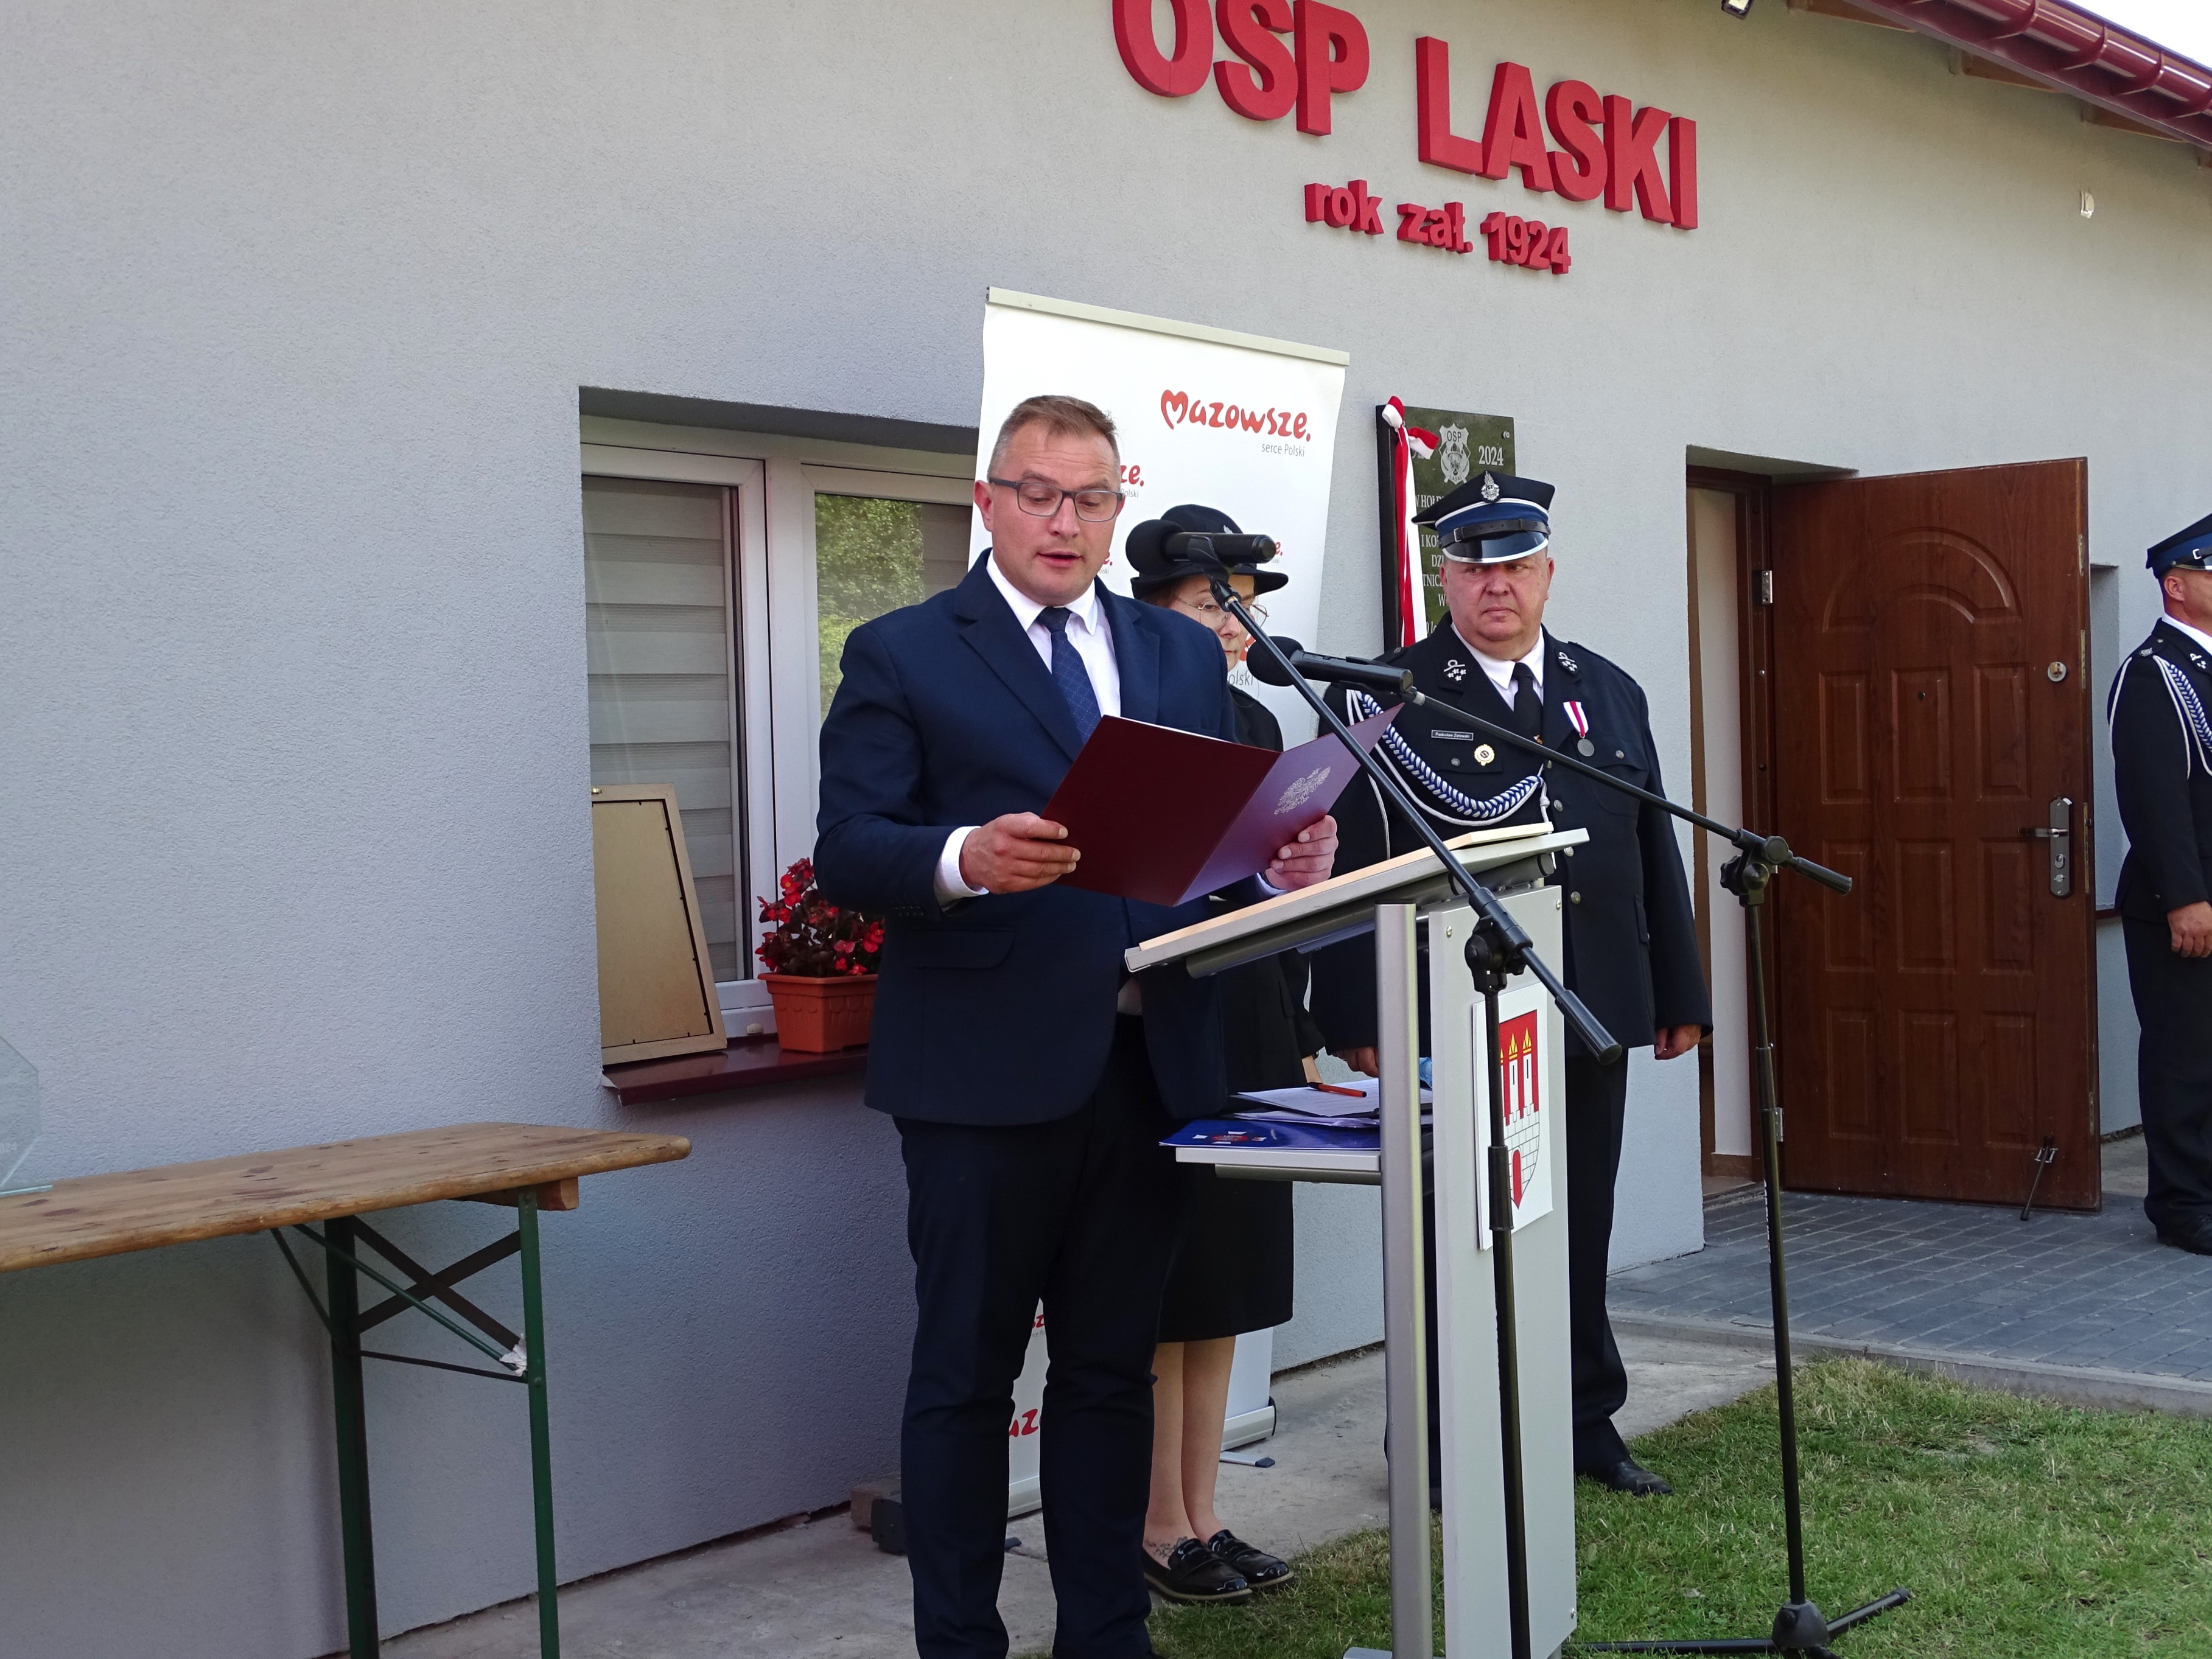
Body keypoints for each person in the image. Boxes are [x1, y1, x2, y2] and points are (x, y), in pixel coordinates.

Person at [813, 396, 1338, 1659]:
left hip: (1148, 1064)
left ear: (1117, 507)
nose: (1063, 519)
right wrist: (962, 856)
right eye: (1037, 493)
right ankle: (961, 1643)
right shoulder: (901, 651)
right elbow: (849, 847)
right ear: (986, 502)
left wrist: (1273, 864)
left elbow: (1199, 849)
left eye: (1089, 497)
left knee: (1108, 1373)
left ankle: (1105, 1635)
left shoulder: (1172, 655)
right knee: (965, 1378)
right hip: (980, 1077)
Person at [1307, 471, 1710, 1497]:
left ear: (1547, 570)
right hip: (1452, 1009)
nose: (1497, 586)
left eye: (1517, 565)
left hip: (1588, 1001)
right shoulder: (1382, 694)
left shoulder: (1605, 688)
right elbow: (1347, 861)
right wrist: (1354, 1010)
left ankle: (1582, 1420)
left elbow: (1649, 841)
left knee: (1577, 1218)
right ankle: (1438, 1437)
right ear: (1443, 577)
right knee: (1454, 1232)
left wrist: (1677, 990)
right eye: (1474, 567)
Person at [1127, 506, 1310, 1604]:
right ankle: (1155, 1523)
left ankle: (1203, 1510)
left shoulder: (1253, 717)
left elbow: (1269, 879)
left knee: (1230, 1280)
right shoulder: (1131, 710)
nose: (1235, 624)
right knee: (1176, 1282)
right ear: (1152, 612)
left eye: (1240, 606)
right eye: (1211, 604)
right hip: (1169, 1014)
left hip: (1251, 1009)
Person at [2108, 509, 2212, 1257]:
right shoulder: (2153, 672)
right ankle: (2183, 1204)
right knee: (2185, 1056)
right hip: (2185, 902)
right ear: (2176, 586)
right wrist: (2184, 896)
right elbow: (2154, 798)